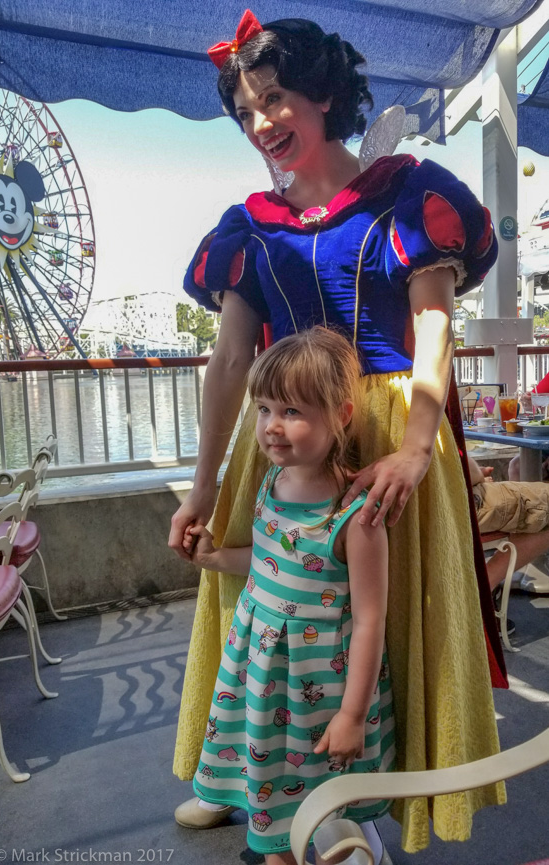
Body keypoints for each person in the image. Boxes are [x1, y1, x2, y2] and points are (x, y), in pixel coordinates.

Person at [169, 10, 506, 853]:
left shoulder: (406, 193)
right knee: (251, 605)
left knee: (395, 615)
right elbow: (228, 362)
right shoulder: (249, 226)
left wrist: (415, 448)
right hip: (281, 436)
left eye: (274, 98)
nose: (260, 125)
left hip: (392, 427)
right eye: (246, 111)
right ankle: (245, 776)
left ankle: (386, 796)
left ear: (321, 94)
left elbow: (433, 330)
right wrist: (206, 484)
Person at [178, 328, 394, 865]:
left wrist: (351, 715)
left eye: (293, 411)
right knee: (271, 783)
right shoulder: (271, 481)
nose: (272, 426)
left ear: (341, 415)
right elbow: (269, 560)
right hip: (262, 670)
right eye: (264, 408)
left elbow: (370, 620)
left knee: (323, 793)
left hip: (320, 686)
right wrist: (214, 559)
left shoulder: (358, 517)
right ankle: (279, 851)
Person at [469, 455, 549, 591]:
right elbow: (464, 470)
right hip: (462, 503)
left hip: (437, 506)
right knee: (536, 509)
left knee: (518, 466)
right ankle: (481, 590)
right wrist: (478, 475)